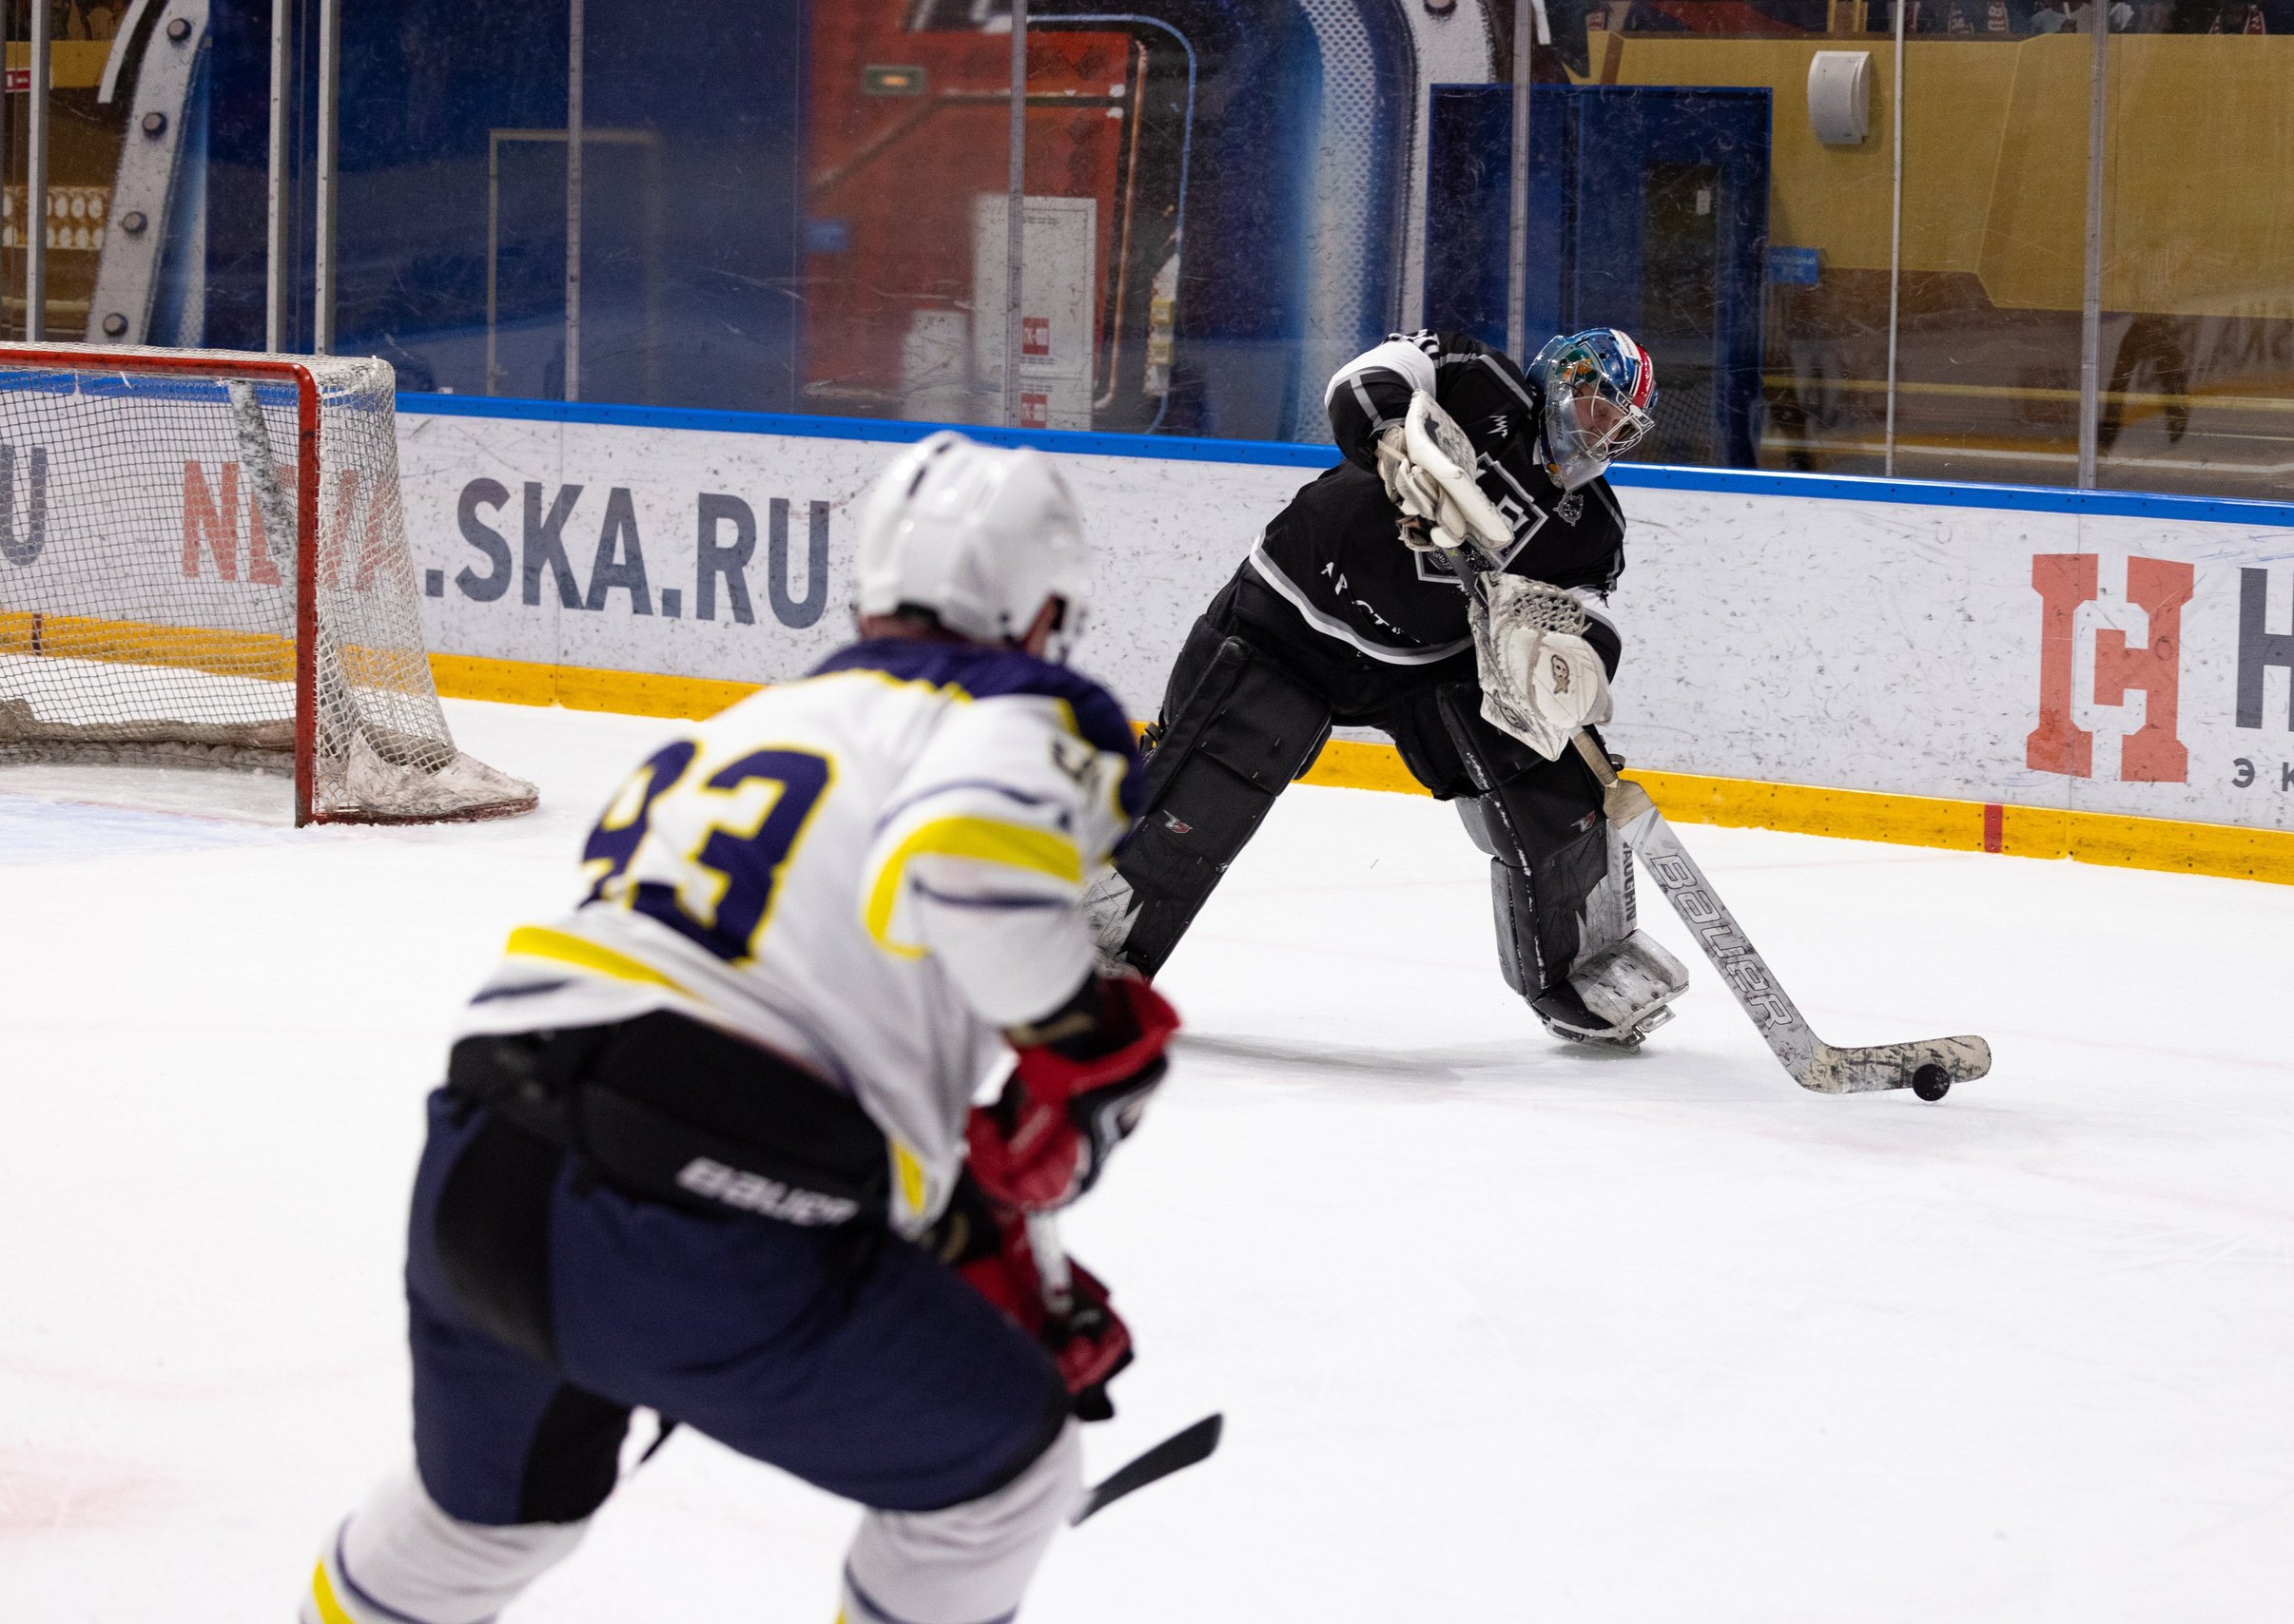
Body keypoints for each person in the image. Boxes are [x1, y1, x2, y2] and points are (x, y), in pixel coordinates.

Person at [300, 432, 1177, 1624]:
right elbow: (967, 859)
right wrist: (1077, 1030)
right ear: (1043, 613)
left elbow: (738, 988)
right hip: (697, 1210)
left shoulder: (751, 722)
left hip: (485, 1159)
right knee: (1006, 1480)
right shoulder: (1022, 702)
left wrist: (943, 1213)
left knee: (478, 1528)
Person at [1084, 327, 1690, 1048]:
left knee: (1552, 786)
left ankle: (1588, 963)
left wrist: (1562, 663)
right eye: (1600, 407)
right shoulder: (1478, 383)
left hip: (1429, 668)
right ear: (1564, 378)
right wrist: (1393, 438)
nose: (1603, 431)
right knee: (1205, 790)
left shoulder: (1592, 525)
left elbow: (1589, 627)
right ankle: (1083, 956)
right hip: (1290, 619)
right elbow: (1370, 374)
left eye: (1621, 424)